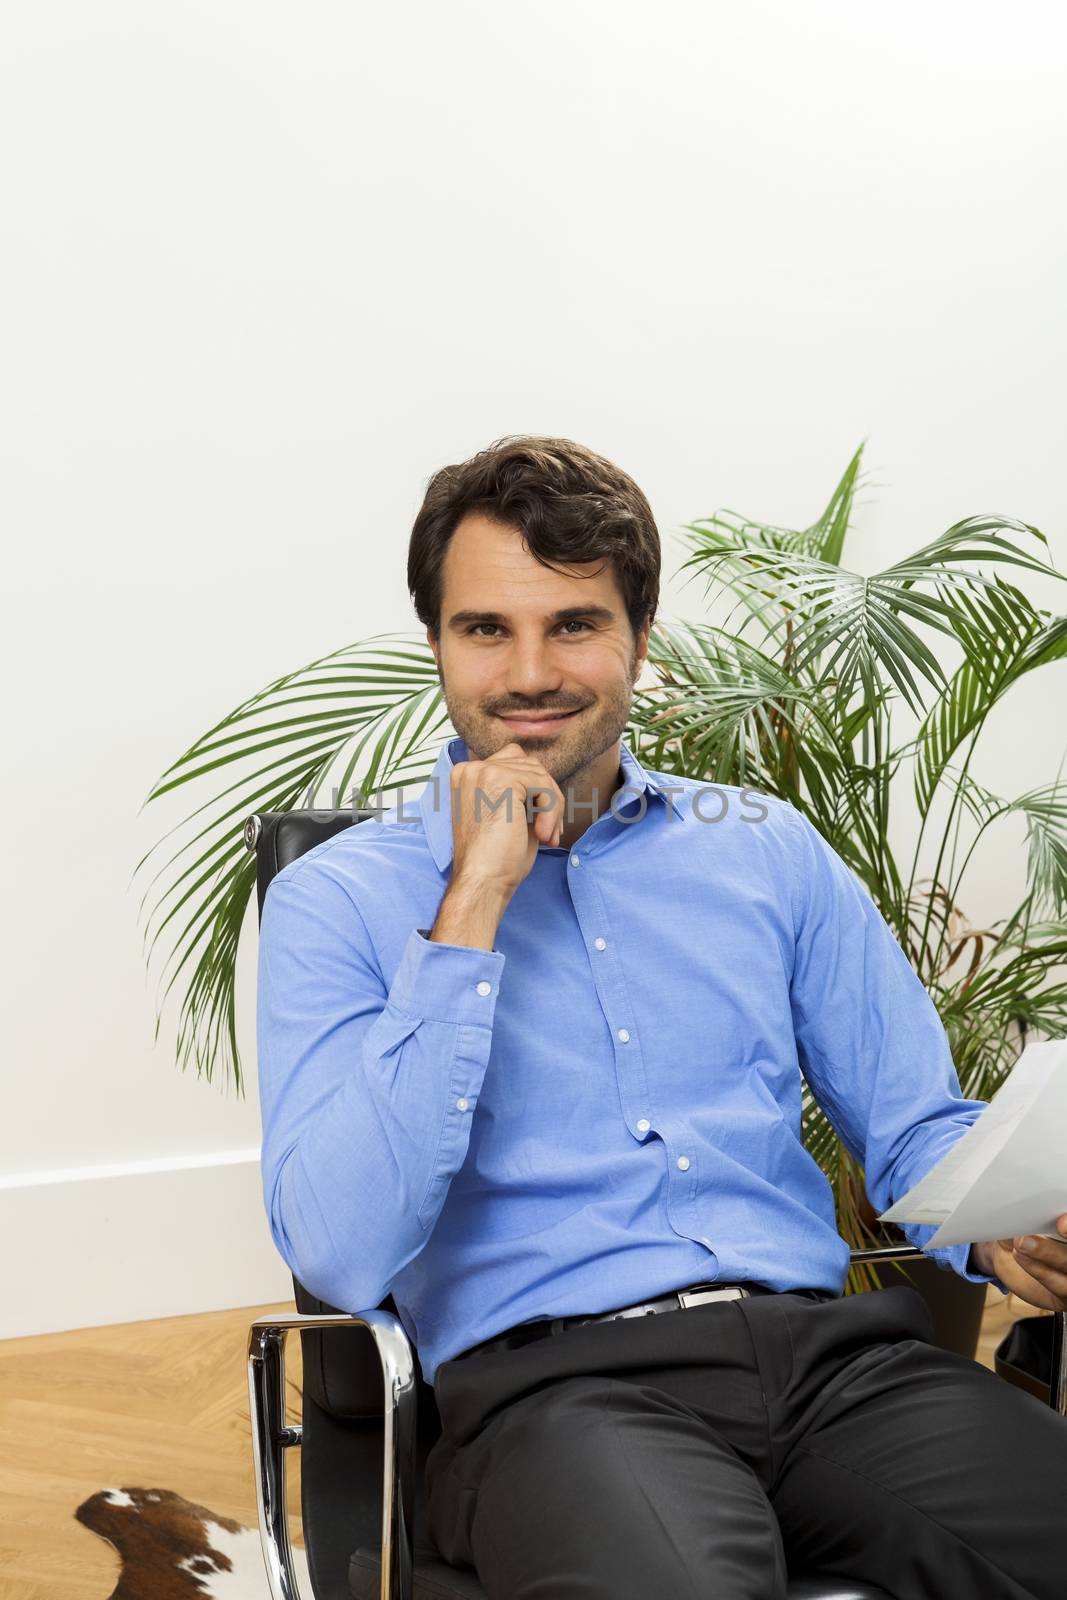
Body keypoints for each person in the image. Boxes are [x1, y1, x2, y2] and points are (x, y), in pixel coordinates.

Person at [256, 435, 1067, 1599]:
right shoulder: (336, 900)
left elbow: (914, 1128)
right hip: (560, 1398)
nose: (528, 670)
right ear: (437, 644)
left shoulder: (767, 851)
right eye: (486, 628)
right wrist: (473, 897)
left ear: (639, 640)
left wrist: (1000, 1229)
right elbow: (336, 1246)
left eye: (573, 624)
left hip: (834, 1365)